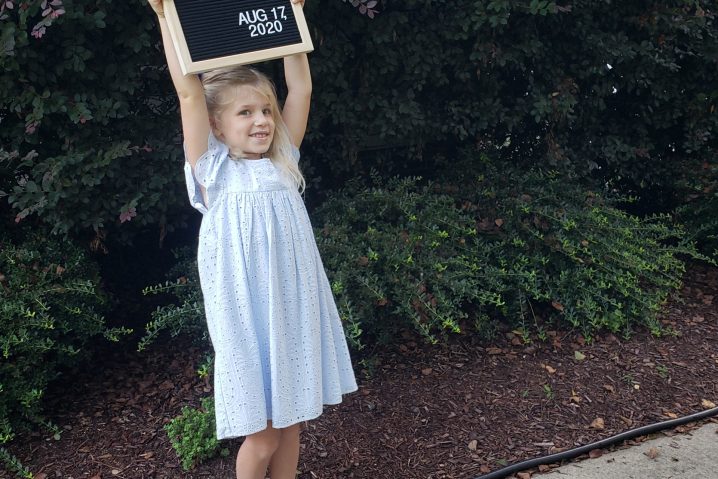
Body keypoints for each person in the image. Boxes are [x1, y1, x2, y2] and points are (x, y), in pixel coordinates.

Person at [146, 1, 358, 477]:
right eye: (245, 112)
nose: (261, 120)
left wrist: (293, 18)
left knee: (292, 425)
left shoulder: (283, 161)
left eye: (265, 110)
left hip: (291, 309)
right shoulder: (213, 172)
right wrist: (164, 18)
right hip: (244, 316)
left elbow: (301, 89)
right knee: (262, 434)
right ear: (217, 126)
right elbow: (188, 94)